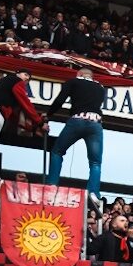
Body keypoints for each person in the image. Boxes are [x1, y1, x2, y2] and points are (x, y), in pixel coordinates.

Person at [0, 68, 44, 192]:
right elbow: (25, 102)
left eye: (29, 78)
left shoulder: (5, 85)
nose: (27, 78)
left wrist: (33, 127)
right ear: (17, 73)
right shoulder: (15, 80)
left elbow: (15, 117)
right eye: (26, 75)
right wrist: (39, 122)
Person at [45, 67, 106, 210]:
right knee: (95, 162)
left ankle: (52, 184)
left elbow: (60, 100)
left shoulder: (73, 82)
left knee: (57, 152)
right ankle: (93, 193)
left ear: (78, 74)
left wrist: (49, 115)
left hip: (77, 119)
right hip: (96, 123)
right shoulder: (100, 88)